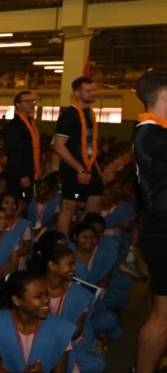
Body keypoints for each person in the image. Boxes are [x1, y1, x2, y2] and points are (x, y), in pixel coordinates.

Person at [132, 68, 167, 373]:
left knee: (159, 308)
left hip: (159, 228)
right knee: (162, 316)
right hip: (163, 229)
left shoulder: (153, 132)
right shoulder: (152, 134)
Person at [34, 243, 106, 372]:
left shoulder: (78, 293)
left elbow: (77, 331)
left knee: (97, 365)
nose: (74, 268)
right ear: (52, 266)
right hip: (35, 342)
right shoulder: (32, 289)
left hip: (68, 343)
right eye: (70, 264)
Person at [0, 270, 75, 373]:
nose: (46, 300)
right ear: (17, 300)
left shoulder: (61, 329)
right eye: (38, 296)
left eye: (46, 294)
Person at [54, 77, 102, 236]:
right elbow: (58, 146)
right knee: (69, 209)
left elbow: (90, 145)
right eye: (88, 91)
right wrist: (79, 169)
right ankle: (62, 243)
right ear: (77, 93)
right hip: (73, 169)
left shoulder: (90, 114)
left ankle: (78, 236)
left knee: (94, 209)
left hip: (90, 167)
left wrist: (96, 168)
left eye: (94, 90)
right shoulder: (69, 115)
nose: (93, 93)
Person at [4, 91, 40, 209]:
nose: (32, 104)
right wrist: (23, 174)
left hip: (28, 171)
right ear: (18, 105)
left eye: (33, 101)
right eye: (27, 101)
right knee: (18, 204)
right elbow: (14, 151)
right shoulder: (15, 125)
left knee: (25, 203)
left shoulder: (30, 122)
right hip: (18, 174)